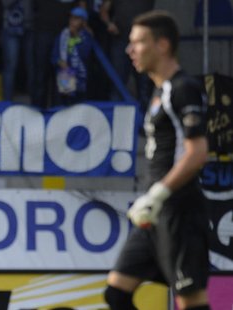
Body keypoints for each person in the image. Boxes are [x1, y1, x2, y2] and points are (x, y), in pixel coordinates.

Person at [104, 11, 210, 310]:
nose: (130, 50)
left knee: (191, 302)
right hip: (155, 214)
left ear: (162, 45)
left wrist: (159, 193)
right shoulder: (158, 91)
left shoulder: (183, 88)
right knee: (116, 293)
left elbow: (197, 152)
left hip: (180, 212)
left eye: (138, 42)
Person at [51, 7, 93, 105]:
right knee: (65, 104)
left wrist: (75, 35)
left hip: (80, 76)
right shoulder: (63, 35)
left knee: (79, 105)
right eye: (71, 18)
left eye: (76, 18)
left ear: (83, 22)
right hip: (65, 75)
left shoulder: (86, 36)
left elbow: (86, 54)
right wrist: (60, 62)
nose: (72, 21)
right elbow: (54, 56)